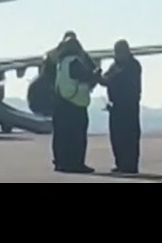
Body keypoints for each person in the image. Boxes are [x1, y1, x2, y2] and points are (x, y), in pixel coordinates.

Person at [52, 33, 101, 173]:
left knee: (61, 136)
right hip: (75, 104)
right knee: (77, 137)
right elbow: (86, 76)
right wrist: (96, 74)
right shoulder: (74, 62)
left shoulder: (61, 63)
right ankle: (76, 163)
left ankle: (61, 162)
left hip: (61, 103)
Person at [100, 39, 142, 174]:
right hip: (116, 106)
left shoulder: (133, 66)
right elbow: (106, 78)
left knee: (129, 137)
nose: (117, 54)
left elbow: (115, 79)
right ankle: (121, 163)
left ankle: (130, 165)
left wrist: (102, 79)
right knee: (116, 137)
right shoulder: (115, 66)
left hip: (129, 106)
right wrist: (98, 77)